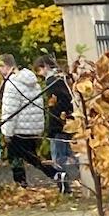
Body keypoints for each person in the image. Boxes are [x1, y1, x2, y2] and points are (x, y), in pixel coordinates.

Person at [0, 54, 65, 192]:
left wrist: (7, 132)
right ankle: (23, 184)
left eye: (0, 68)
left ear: (5, 66)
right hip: (32, 128)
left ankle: (53, 175)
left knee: (26, 158)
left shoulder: (12, 84)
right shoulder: (32, 82)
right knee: (26, 156)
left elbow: (10, 111)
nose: (0, 72)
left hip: (18, 129)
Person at [35, 55, 78, 189]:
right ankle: (76, 179)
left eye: (40, 70)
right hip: (68, 121)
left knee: (59, 157)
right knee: (71, 153)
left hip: (56, 124)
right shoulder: (64, 78)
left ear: (45, 67)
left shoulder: (52, 82)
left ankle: (64, 184)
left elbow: (54, 105)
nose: (40, 74)